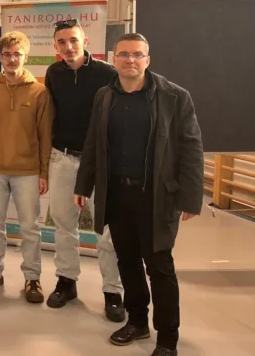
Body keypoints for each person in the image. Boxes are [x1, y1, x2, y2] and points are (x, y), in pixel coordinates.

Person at [74, 33, 204, 356]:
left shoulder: (175, 96)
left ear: (147, 60)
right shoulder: (104, 96)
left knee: (160, 267)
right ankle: (137, 321)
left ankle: (167, 338)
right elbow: (93, 143)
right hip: (117, 195)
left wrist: (190, 197)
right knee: (127, 262)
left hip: (157, 198)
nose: (130, 60)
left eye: (137, 55)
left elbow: (191, 148)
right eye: (124, 54)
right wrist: (83, 185)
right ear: (114, 58)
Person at [44, 19, 125, 322]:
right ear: (55, 45)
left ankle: (112, 292)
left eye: (73, 40)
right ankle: (67, 281)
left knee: (106, 229)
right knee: (64, 225)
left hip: (100, 162)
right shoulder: (53, 73)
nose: (68, 47)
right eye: (62, 42)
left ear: (85, 41)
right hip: (63, 158)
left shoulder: (108, 74)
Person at [0, 31, 53, 302]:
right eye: (7, 54)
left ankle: (32, 278)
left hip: (28, 172)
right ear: (0, 57)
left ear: (25, 57)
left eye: (17, 54)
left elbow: (45, 136)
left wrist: (44, 171)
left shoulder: (40, 92)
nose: (12, 59)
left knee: (30, 228)